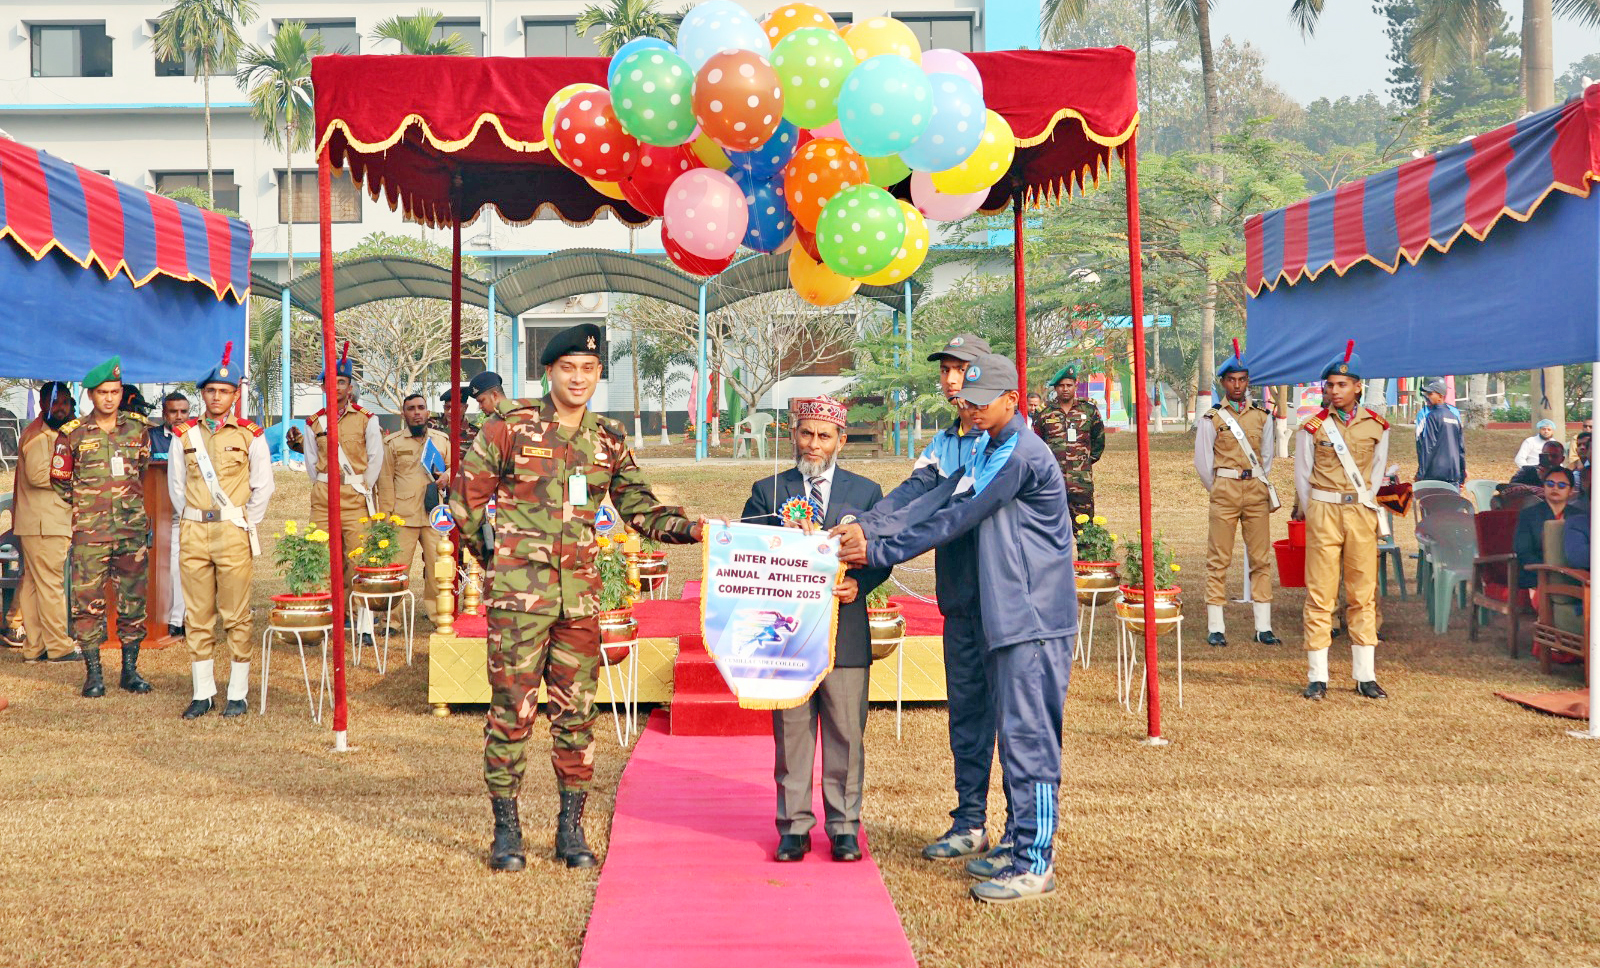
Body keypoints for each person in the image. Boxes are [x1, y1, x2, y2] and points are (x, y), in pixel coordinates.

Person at [453, 322, 705, 873]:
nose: (578, 378)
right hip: (519, 604)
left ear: (598, 374)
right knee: (511, 714)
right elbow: (465, 500)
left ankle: (571, 830)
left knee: (577, 717)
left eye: (589, 369)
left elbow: (639, 509)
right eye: (568, 367)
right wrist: (497, 559)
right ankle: (507, 832)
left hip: (581, 605)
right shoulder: (509, 427)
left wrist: (694, 529)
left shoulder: (608, 438)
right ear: (549, 371)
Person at [835, 351, 1076, 904]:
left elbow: (960, 516)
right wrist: (867, 528)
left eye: (983, 401)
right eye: (968, 400)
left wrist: (880, 548)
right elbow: (937, 498)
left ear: (1012, 399)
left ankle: (1035, 862)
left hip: (1033, 617)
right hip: (1005, 612)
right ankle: (1015, 842)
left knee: (1029, 737)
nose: (971, 408)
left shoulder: (1019, 452)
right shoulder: (985, 446)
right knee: (1008, 731)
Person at [850, 334, 1007, 867]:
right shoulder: (942, 442)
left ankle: (1021, 831)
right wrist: (863, 524)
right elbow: (913, 494)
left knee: (1013, 719)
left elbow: (947, 512)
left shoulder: (1005, 441)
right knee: (966, 711)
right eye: (945, 370)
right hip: (961, 595)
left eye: (961, 369)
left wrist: (876, 542)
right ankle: (970, 821)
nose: (951, 380)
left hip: (1006, 598)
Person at [742, 395, 888, 864]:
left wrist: (860, 583)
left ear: (841, 441)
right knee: (792, 734)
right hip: (788, 636)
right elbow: (748, 553)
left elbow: (883, 553)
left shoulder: (866, 493)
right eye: (806, 433)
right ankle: (793, 827)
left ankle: (844, 827)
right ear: (794, 435)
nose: (814, 443)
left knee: (846, 733)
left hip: (845, 634)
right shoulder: (768, 491)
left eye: (824, 436)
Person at [169, 343, 274, 719]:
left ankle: (238, 692)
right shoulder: (184, 435)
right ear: (203, 393)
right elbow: (177, 488)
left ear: (235, 396)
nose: (217, 396)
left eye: (224, 391)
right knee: (197, 616)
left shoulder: (250, 435)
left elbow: (263, 486)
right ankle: (202, 693)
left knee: (236, 615)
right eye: (211, 390)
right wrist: (193, 518)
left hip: (232, 532)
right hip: (195, 532)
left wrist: (244, 521)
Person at [51, 357, 155, 698]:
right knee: (87, 605)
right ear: (91, 395)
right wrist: (88, 505)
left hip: (130, 532)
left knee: (133, 603)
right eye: (102, 392)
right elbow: (60, 481)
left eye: (114, 392)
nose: (109, 398)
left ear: (121, 393)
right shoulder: (72, 434)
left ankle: (130, 671)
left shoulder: (138, 430)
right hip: (90, 535)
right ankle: (94, 674)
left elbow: (141, 471)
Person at [1294, 341, 1390, 701]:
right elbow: (1303, 476)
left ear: (1358, 387)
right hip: (1323, 510)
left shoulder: (1378, 426)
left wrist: (1364, 502)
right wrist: (1316, 510)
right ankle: (1317, 676)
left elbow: (1377, 474)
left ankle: (1365, 676)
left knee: (1362, 592)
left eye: (1342, 385)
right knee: (1320, 593)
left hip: (1360, 511)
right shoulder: (1312, 427)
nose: (1335, 391)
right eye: (1331, 385)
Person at [1193, 340, 1280, 648]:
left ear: (1248, 381)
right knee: (1218, 559)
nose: (1238, 385)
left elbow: (1266, 456)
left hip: (1255, 489)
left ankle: (1263, 627)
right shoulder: (1212, 417)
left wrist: (1253, 478)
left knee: (1260, 558)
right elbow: (1203, 461)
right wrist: (1219, 486)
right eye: (1232, 380)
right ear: (1223, 382)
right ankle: (1216, 626)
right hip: (1225, 489)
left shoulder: (1263, 415)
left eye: (1242, 379)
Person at [290, 343, 383, 606]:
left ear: (350, 387)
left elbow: (375, 458)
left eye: (342, 382)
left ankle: (357, 615)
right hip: (323, 499)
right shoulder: (314, 422)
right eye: (331, 382)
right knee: (319, 556)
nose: (337, 387)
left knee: (357, 558)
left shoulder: (367, 419)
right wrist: (324, 483)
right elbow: (311, 462)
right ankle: (325, 611)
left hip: (355, 498)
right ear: (323, 387)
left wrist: (362, 486)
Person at [14, 382, 78, 663]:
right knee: (51, 584)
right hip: (45, 522)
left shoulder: (53, 433)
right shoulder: (39, 436)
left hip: (40, 522)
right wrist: (78, 477)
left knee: (33, 584)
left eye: (65, 402)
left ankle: (35, 647)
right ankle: (59, 647)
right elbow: (38, 475)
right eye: (55, 402)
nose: (61, 408)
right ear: (42, 405)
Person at [376, 393, 452, 624]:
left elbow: (454, 468)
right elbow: (385, 482)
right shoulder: (392, 443)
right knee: (396, 571)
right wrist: (387, 518)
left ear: (428, 412)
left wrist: (448, 476)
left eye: (421, 408)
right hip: (403, 516)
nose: (417, 413)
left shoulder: (442, 440)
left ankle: (440, 617)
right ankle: (392, 621)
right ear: (404, 414)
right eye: (411, 408)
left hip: (435, 516)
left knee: (438, 569)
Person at [1033, 363, 1105, 528]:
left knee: (1085, 532)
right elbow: (1037, 444)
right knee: (1050, 530)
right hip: (1052, 483)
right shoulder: (1044, 413)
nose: (1065, 389)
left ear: (1075, 386)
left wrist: (1084, 462)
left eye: (1069, 385)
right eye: (1061, 386)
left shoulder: (1089, 411)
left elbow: (1099, 440)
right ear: (1055, 388)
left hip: (1081, 483)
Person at [152, 391, 191, 637]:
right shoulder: (151, 438)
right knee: (162, 569)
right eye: (173, 411)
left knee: (180, 568)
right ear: (164, 413)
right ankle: (161, 618)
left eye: (183, 411)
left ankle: (177, 620)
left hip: (183, 515)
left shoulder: (196, 437)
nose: (179, 416)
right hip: (156, 515)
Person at [1514, 465, 1575, 593]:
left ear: (1571, 490)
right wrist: (1550, 571)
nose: (1555, 488)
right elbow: (1523, 552)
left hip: (1573, 576)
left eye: (1561, 485)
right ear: (1544, 487)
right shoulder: (1528, 515)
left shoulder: (1579, 516)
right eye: (1550, 484)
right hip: (1537, 576)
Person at [1414, 377, 1466, 487]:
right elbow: (1461, 448)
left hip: (1435, 474)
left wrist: (1420, 474)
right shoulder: (1454, 416)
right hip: (1453, 474)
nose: (1427, 396)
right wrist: (1462, 474)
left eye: (1431, 394)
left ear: (1440, 396)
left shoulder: (1432, 416)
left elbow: (1428, 447)